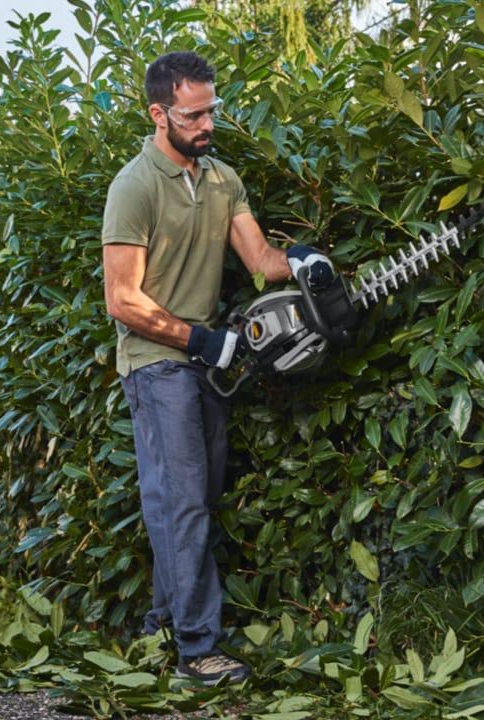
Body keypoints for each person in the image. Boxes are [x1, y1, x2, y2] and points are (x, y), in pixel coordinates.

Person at [101, 51, 333, 685]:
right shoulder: (135, 186)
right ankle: (198, 650)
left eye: (212, 110)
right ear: (159, 113)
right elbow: (122, 299)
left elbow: (260, 260)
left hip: (204, 360)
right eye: (194, 114)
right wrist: (199, 341)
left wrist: (304, 259)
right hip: (156, 362)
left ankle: (161, 626)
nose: (207, 124)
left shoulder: (223, 177)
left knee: (192, 501)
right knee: (182, 504)